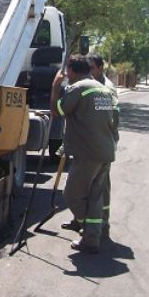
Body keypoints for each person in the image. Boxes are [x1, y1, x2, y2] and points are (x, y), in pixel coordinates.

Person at [51, 54, 118, 254]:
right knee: (95, 196)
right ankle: (93, 237)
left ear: (71, 71)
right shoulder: (103, 88)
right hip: (105, 150)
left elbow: (58, 111)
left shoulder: (78, 89)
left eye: (67, 71)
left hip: (88, 153)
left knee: (72, 195)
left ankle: (90, 231)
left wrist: (55, 86)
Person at [86, 53, 119, 241]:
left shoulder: (106, 89)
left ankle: (102, 223)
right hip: (90, 143)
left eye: (91, 68)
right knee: (86, 184)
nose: (88, 72)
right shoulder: (90, 85)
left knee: (100, 185)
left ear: (99, 69)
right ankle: (81, 220)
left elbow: (109, 120)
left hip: (101, 144)